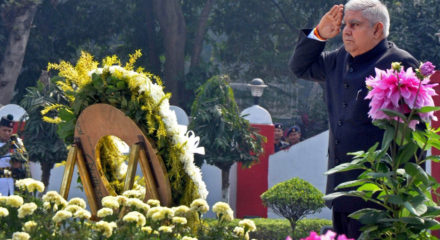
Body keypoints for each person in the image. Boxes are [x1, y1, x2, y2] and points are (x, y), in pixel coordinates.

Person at [289, 0, 418, 238]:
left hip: (379, 196)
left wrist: (403, 190)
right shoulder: (338, 59)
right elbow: (300, 67)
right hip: (341, 189)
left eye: (354, 24)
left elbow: (413, 136)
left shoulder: (398, 63)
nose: (345, 31)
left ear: (377, 29)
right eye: (345, 24)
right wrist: (319, 34)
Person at [0, 114, 29, 196]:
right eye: (4, 130)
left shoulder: (16, 143)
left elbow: (25, 160)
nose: (7, 133)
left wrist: (20, 165)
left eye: (9, 131)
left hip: (12, 183)